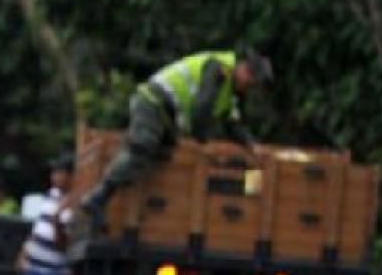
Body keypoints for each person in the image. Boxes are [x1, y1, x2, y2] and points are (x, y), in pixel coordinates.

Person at [80, 50, 273, 218]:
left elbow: (232, 124)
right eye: (251, 83)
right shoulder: (218, 69)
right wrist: (202, 139)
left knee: (170, 156)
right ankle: (98, 196)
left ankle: (150, 205)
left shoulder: (229, 92)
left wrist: (251, 145)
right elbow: (201, 109)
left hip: (167, 117)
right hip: (153, 101)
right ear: (244, 70)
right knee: (144, 144)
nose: (248, 88)